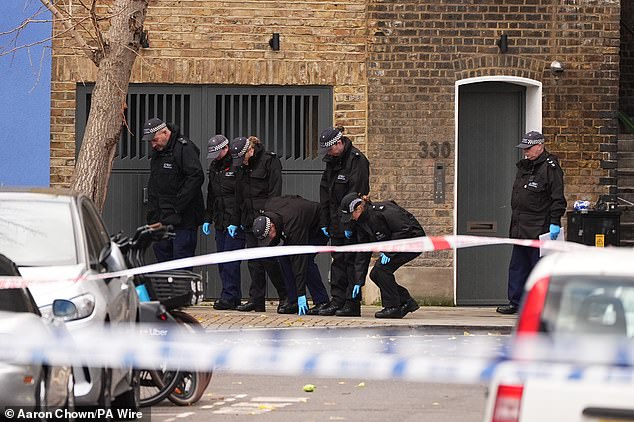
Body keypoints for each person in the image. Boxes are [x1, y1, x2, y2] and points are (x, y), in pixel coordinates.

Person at [497, 130, 566, 314]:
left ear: (540, 146)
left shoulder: (550, 168)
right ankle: (516, 303)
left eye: (528, 148)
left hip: (539, 228)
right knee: (517, 267)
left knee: (538, 269)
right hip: (520, 226)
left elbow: (557, 198)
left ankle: (539, 306)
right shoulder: (525, 167)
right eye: (524, 148)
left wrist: (555, 222)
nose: (525, 152)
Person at [229, 136, 290, 313]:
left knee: (269, 260)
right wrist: (235, 221)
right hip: (249, 220)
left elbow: (275, 193)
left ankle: (285, 296)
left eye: (243, 158)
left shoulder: (270, 162)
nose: (242, 163)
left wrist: (270, 218)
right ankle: (256, 300)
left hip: (265, 220)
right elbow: (238, 196)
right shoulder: (241, 165)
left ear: (250, 151)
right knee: (254, 262)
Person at [340, 192, 423, 319]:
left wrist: (390, 251)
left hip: (412, 241)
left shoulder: (383, 211)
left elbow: (405, 229)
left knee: (381, 270)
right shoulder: (362, 222)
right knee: (375, 274)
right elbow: (363, 253)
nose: (351, 219)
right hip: (397, 244)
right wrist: (358, 280)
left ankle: (393, 307)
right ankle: (405, 301)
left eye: (351, 215)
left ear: (359, 208)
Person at [317, 126, 370, 317]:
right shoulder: (332, 161)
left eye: (330, 149)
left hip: (351, 222)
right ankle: (337, 300)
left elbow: (356, 197)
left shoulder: (357, 161)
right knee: (337, 262)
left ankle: (351, 303)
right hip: (334, 222)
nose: (329, 154)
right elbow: (325, 194)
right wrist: (325, 221)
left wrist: (349, 225)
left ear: (339, 143)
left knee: (351, 262)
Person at [252, 195, 331, 315]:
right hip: (302, 223)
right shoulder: (269, 209)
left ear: (272, 226)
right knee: (284, 257)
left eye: (269, 237)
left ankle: (322, 301)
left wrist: (302, 294)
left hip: (318, 227)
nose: (270, 240)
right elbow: (294, 197)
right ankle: (292, 300)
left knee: (306, 262)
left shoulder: (293, 224)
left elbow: (300, 260)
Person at [144, 117, 204, 270]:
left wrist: (177, 207)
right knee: (163, 263)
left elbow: (196, 177)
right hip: (161, 220)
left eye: (155, 140)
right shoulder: (158, 153)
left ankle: (183, 294)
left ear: (165, 133)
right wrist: (152, 217)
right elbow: (154, 185)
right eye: (150, 141)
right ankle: (168, 295)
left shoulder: (184, 148)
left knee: (181, 265)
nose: (153, 144)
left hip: (183, 220)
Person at [202, 134, 245, 310]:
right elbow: (212, 195)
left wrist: (236, 221)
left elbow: (240, 195)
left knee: (231, 262)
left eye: (217, 153)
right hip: (220, 220)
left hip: (234, 221)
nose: (215, 157)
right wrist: (208, 218)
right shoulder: (214, 166)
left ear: (226, 148)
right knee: (223, 261)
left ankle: (229, 296)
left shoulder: (236, 165)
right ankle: (231, 295)